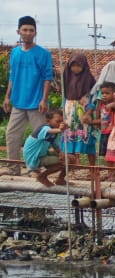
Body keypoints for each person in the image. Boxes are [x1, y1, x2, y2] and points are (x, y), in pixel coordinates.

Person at [4, 16, 54, 166]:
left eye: (31, 30)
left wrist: (44, 99)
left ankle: (39, 168)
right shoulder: (15, 53)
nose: (28, 33)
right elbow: (12, 76)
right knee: (12, 135)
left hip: (37, 103)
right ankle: (13, 169)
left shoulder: (43, 54)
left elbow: (47, 78)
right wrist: (7, 97)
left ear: (35, 33)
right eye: (25, 29)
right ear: (18, 31)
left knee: (42, 137)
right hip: (18, 103)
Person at [61, 54, 99, 181]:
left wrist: (89, 112)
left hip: (84, 111)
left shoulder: (89, 79)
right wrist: (63, 113)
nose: (75, 68)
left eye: (79, 66)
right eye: (73, 66)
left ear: (84, 66)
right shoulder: (66, 78)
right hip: (69, 112)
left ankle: (93, 169)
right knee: (70, 140)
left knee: (88, 140)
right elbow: (64, 96)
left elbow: (94, 97)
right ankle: (70, 170)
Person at [22, 109, 65, 187]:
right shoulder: (44, 128)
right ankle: (42, 177)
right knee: (63, 163)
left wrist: (61, 153)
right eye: (57, 121)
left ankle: (61, 179)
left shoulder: (54, 133)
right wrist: (60, 129)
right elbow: (50, 131)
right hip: (34, 157)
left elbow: (55, 146)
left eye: (61, 121)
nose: (59, 124)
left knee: (70, 158)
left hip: (43, 153)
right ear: (48, 121)